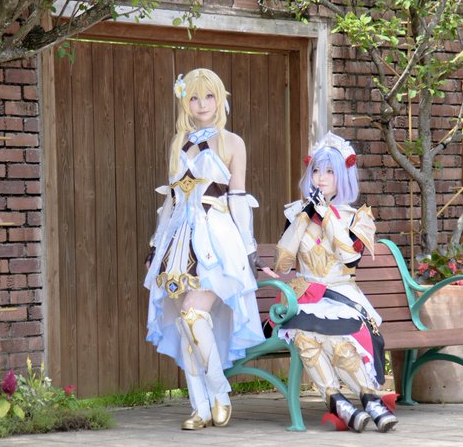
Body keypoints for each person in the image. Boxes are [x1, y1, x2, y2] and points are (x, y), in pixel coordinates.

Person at [144, 68, 272, 430]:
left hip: (217, 238)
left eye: (209, 96)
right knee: (185, 325)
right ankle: (199, 407)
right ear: (185, 101)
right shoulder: (178, 142)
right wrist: (155, 245)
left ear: (221, 99)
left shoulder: (232, 143)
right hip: (178, 240)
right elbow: (171, 199)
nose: (202, 104)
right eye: (194, 97)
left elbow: (238, 197)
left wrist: (247, 248)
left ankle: (219, 392)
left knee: (192, 315)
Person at [272, 132, 398, 433]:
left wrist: (327, 216)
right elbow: (283, 263)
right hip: (304, 294)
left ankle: (369, 399)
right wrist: (304, 218)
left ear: (343, 176)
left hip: (341, 294)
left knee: (339, 343)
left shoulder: (358, 217)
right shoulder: (296, 213)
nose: (321, 177)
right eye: (316, 170)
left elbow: (349, 258)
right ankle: (339, 402)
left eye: (330, 171)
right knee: (304, 336)